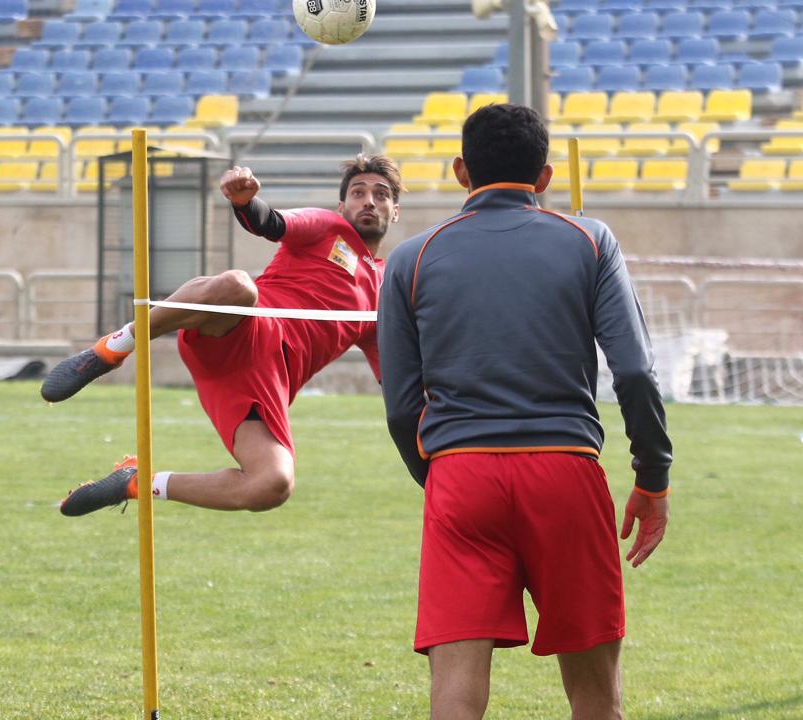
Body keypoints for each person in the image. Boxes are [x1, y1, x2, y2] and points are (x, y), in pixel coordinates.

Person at [377, 104, 672, 720]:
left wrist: (440, 477)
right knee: (597, 699)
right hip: (566, 473)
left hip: (462, 477)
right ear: (543, 177)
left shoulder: (409, 257)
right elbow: (637, 372)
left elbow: (403, 406)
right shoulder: (591, 239)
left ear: (462, 172)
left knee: (454, 694)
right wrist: (652, 476)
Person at [43, 156, 403, 516]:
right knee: (237, 285)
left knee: (273, 484)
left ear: (395, 210)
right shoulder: (327, 226)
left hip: (264, 385)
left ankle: (136, 482)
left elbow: (396, 378)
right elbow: (270, 222)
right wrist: (244, 201)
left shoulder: (386, 291)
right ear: (342, 206)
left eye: (381, 194)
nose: (369, 201)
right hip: (245, 329)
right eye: (359, 192)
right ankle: (113, 348)